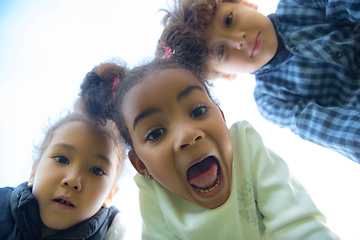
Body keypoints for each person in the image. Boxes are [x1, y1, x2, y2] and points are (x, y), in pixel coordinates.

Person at [79, 56, 339, 239]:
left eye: (199, 110)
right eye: (156, 133)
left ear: (223, 119)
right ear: (142, 165)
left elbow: (298, 224)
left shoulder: (245, 146)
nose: (187, 135)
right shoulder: (154, 196)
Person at [156, 0, 360, 164]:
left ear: (246, 4)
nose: (239, 40)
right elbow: (332, 130)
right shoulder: (271, 99)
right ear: (227, 75)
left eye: (229, 20)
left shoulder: (299, 4)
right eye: (221, 51)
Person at [0, 113, 126, 240]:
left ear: (110, 195)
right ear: (34, 171)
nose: (72, 180)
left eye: (96, 171)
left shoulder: (111, 234)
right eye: (61, 159)